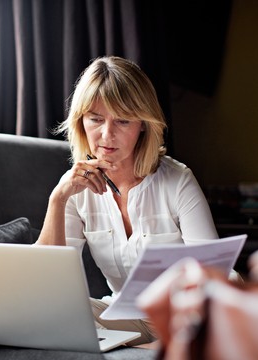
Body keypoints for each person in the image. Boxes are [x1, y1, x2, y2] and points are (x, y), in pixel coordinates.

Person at [35, 56, 218, 347]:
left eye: (122, 120)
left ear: (143, 125)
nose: (107, 135)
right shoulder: (74, 189)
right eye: (96, 119)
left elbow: (215, 274)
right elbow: (43, 282)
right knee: (41, 314)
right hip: (123, 316)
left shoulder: (178, 181)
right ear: (81, 122)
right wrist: (57, 199)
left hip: (186, 317)